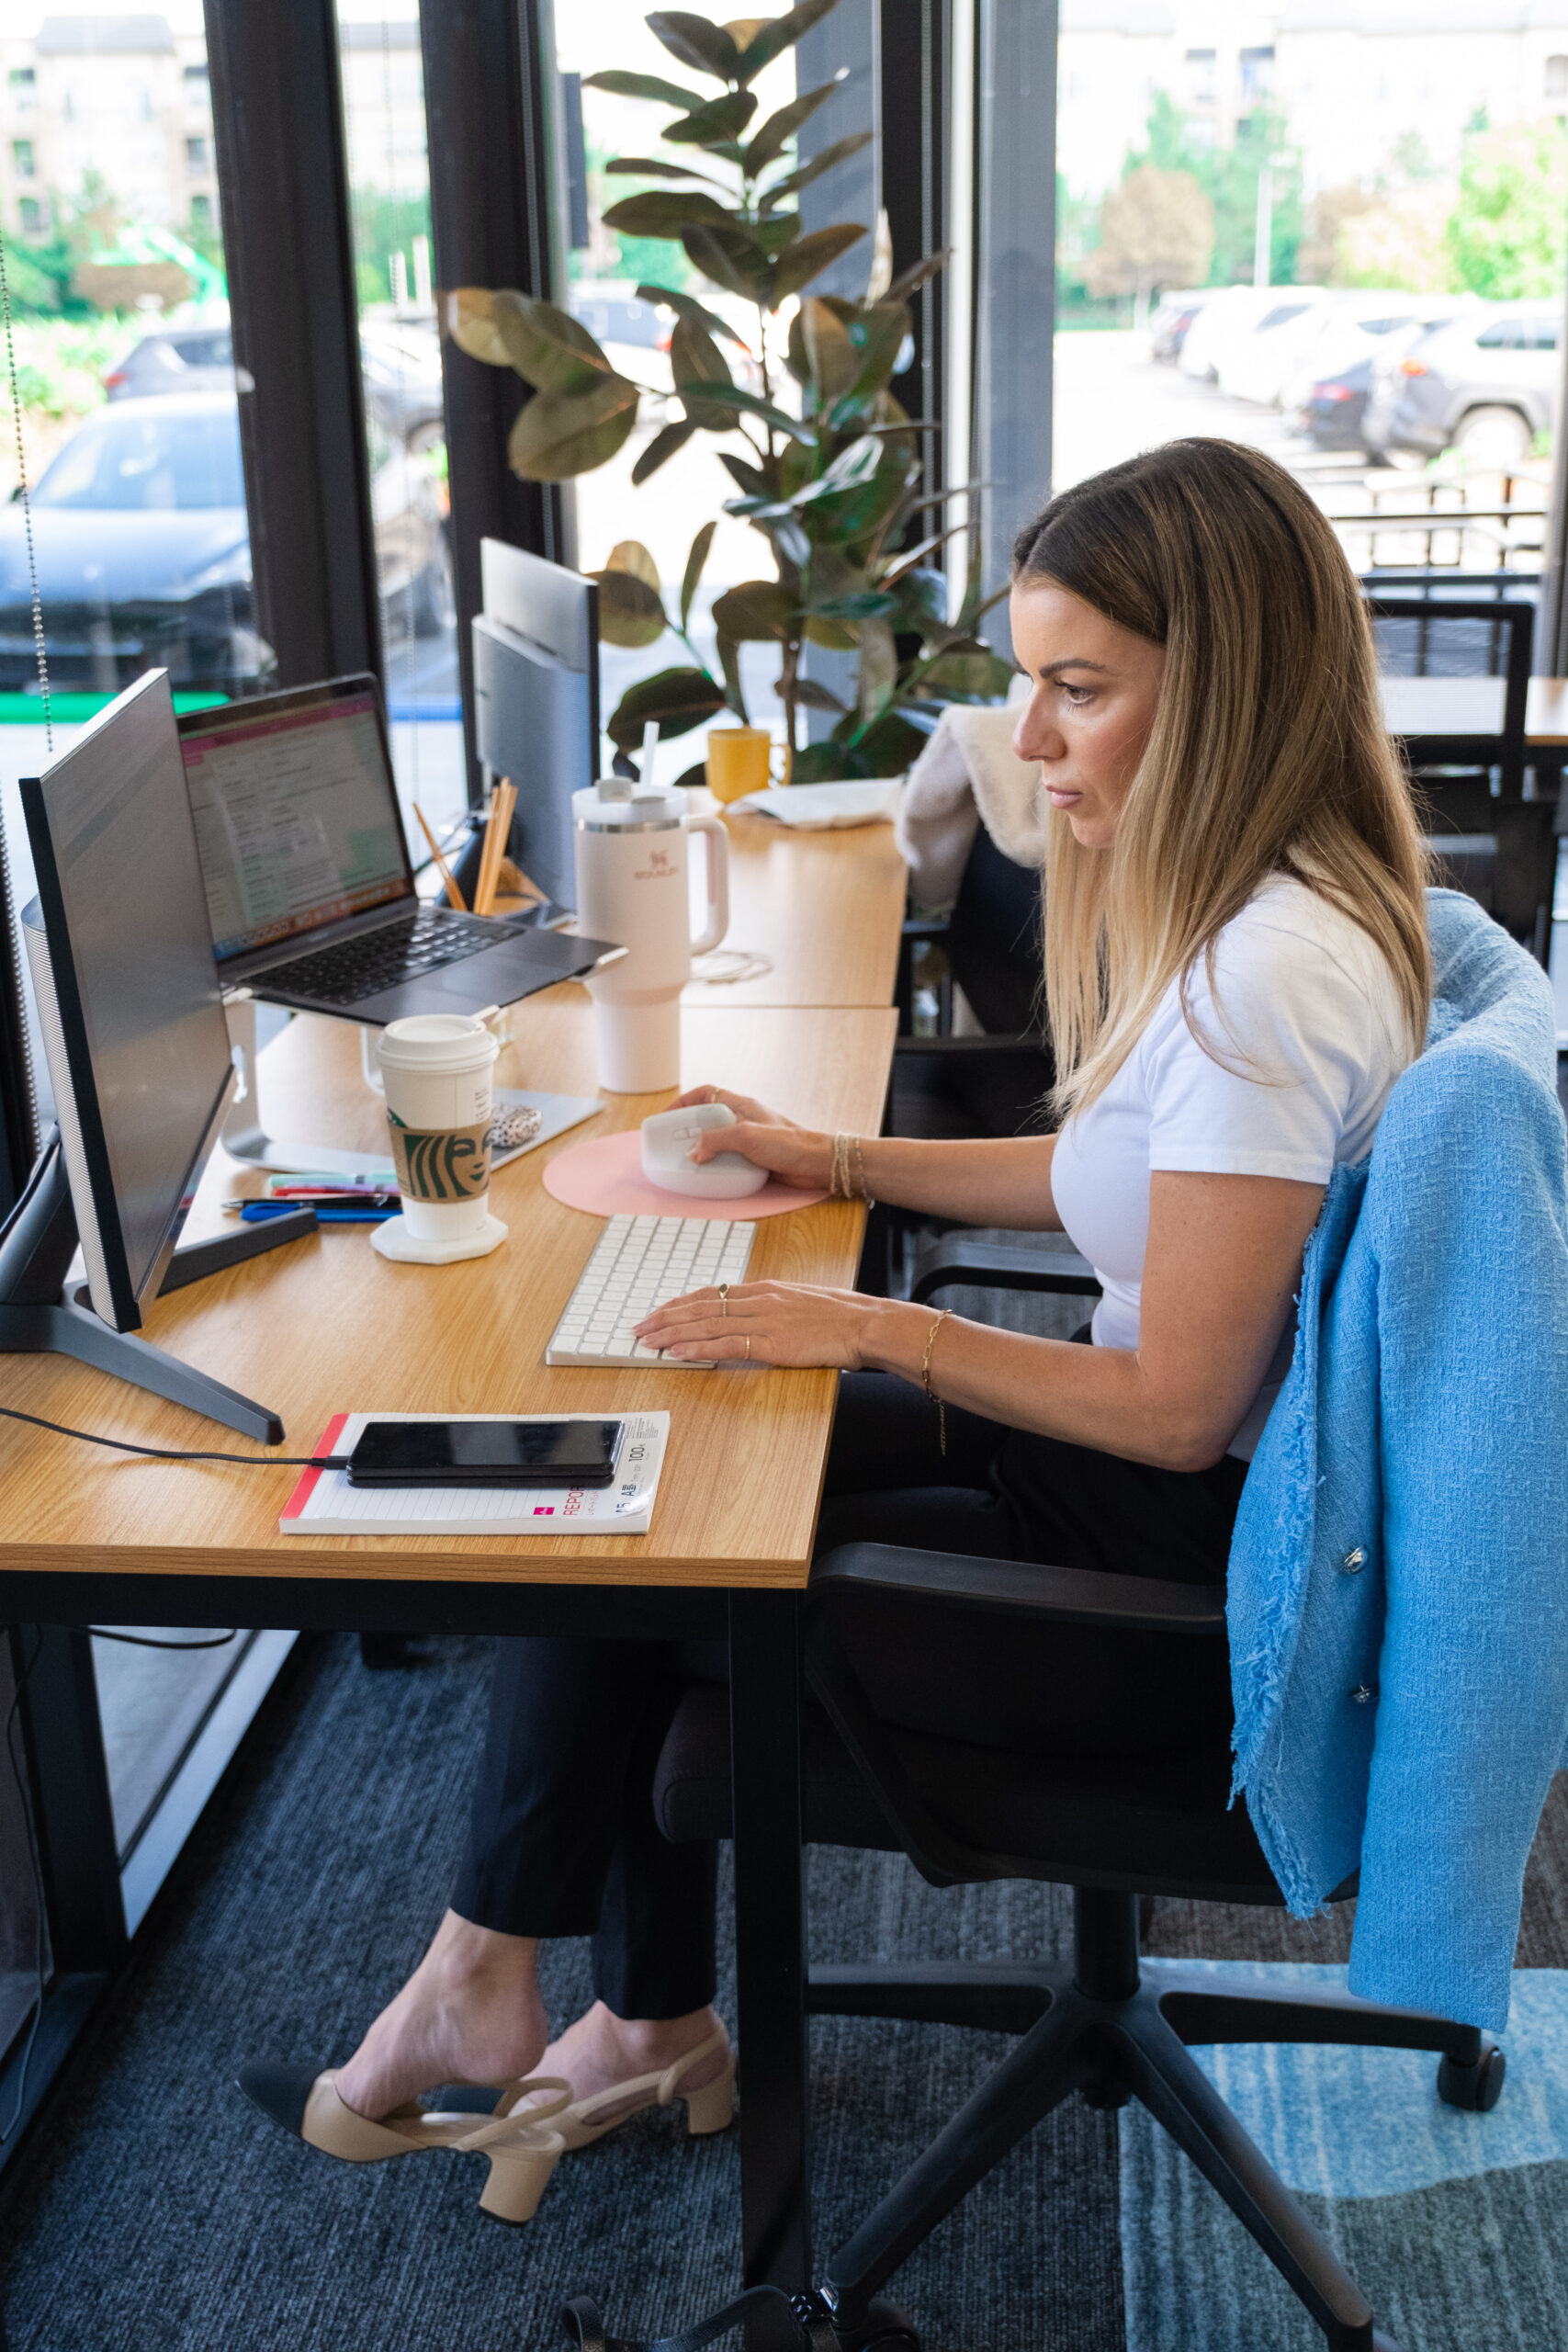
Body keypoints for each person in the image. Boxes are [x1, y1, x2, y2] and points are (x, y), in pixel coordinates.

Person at [243, 437, 1430, 2194]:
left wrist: (875, 1331)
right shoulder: (1270, 912)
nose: (1025, 742)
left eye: (1077, 691)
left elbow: (1181, 1406)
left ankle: (520, 1996)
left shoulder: (1270, 980)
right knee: (647, 1444)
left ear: (1230, 689)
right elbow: (1123, 1186)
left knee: (655, 1535)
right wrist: (835, 1159)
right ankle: (590, 2010)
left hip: (1181, 1584)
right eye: (1031, 682)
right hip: (1139, 1491)